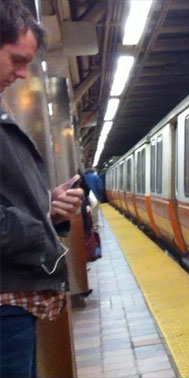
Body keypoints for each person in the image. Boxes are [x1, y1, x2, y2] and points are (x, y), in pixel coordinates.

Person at [0, 1, 84, 377]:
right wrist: (43, 221)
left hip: (15, 302)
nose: (21, 74)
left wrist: (49, 205)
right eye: (16, 60)